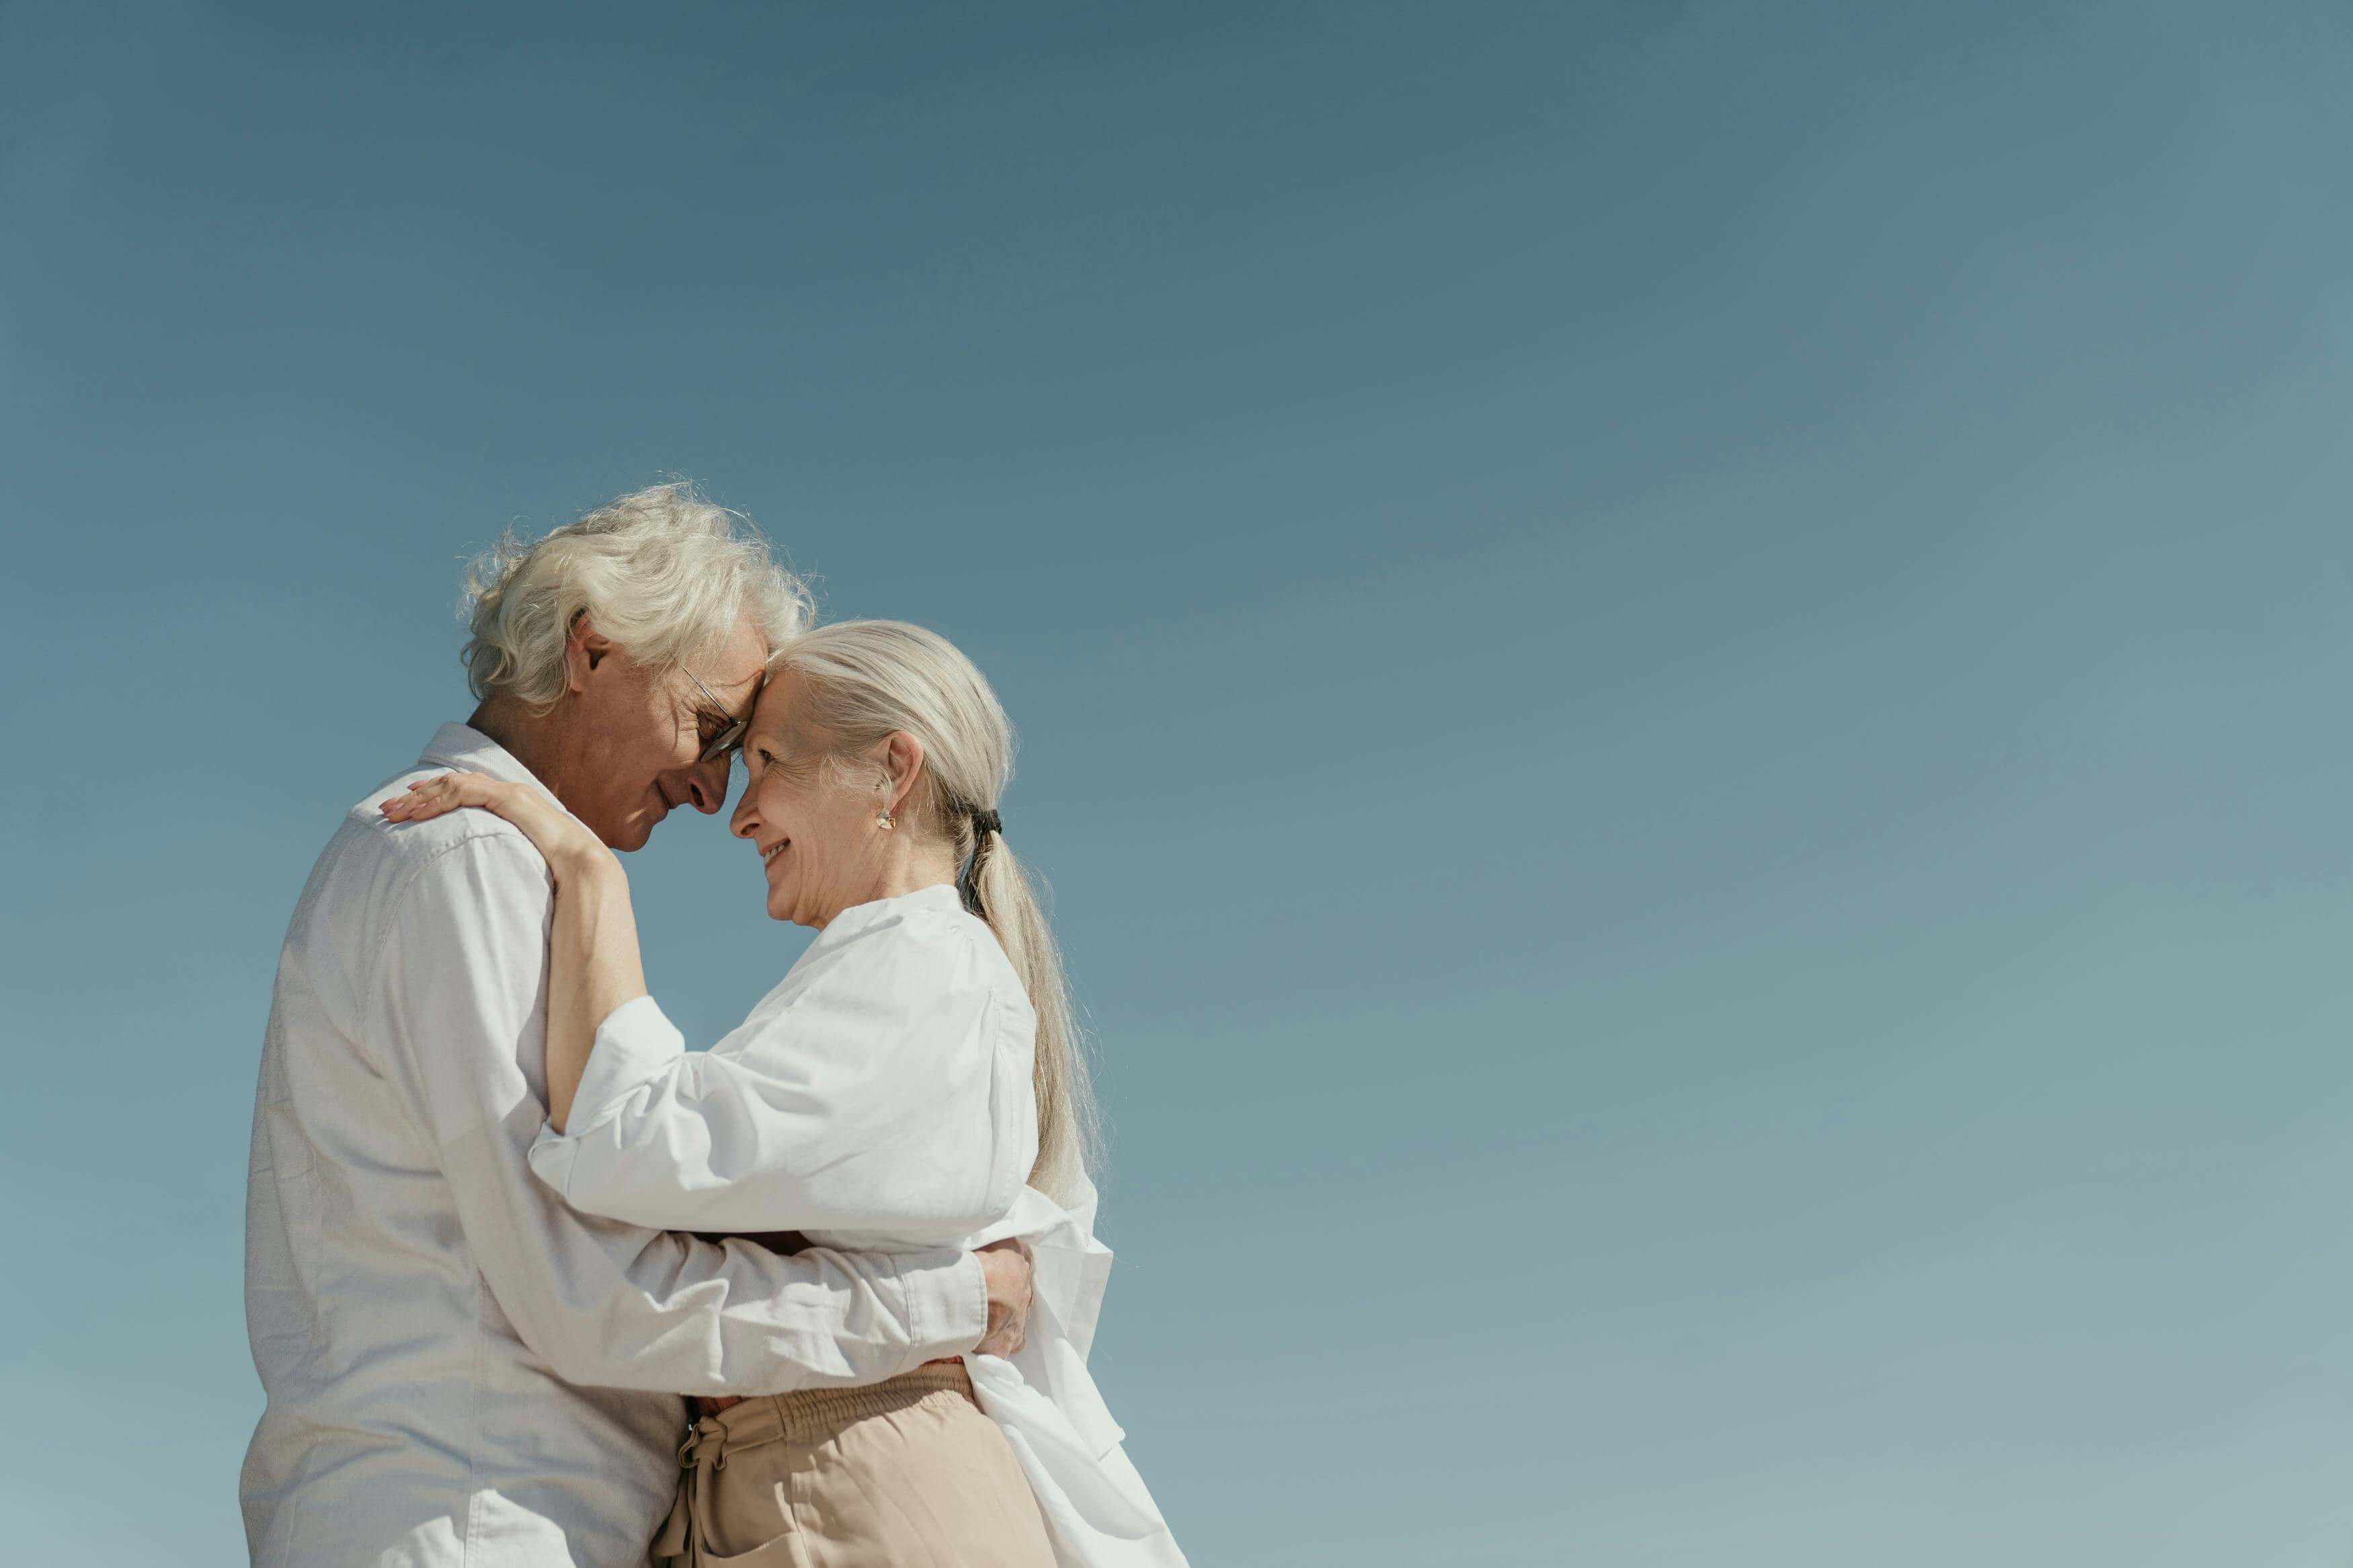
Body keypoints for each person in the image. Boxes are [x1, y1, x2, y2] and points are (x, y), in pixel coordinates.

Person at [241, 488, 1035, 1568]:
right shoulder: (470, 860)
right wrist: (946, 1302)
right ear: (591, 653)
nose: (716, 793)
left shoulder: (506, 866)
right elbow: (587, 1293)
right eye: (714, 731)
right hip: (477, 1524)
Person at [383, 618, 1188, 1567]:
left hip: (852, 1487)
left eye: (767, 760)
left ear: (893, 770)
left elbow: (619, 1142)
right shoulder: (907, 976)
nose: (740, 810)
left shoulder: (921, 968)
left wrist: (589, 872)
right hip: (828, 1482)